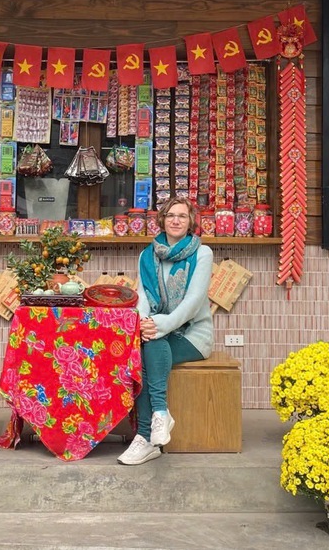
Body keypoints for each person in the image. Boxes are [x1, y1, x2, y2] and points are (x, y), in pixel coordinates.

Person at [117, 196, 214, 465]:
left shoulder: (202, 253)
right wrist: (145, 322)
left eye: (182, 216)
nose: (176, 221)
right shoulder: (147, 255)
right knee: (147, 348)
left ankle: (145, 435)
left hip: (192, 334)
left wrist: (158, 326)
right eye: (171, 215)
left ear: (190, 221)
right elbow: (141, 297)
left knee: (149, 347)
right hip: (157, 332)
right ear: (162, 219)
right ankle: (158, 418)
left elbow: (194, 302)